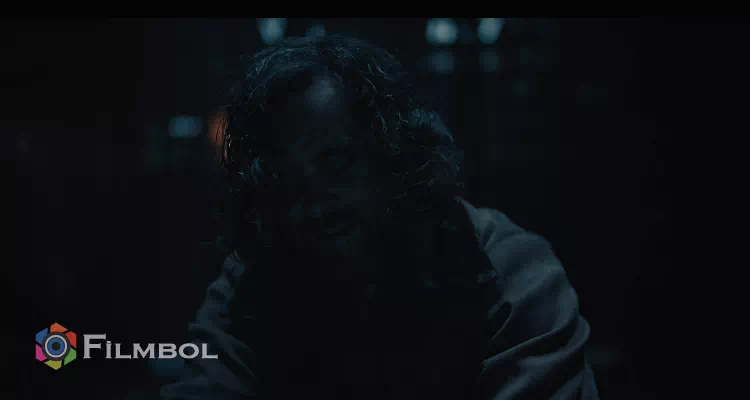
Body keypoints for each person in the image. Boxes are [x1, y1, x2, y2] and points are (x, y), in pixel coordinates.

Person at [160, 35, 599, 400]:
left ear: (392, 154)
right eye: (286, 182)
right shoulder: (253, 278)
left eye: (336, 162)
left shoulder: (512, 272)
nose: (314, 204)